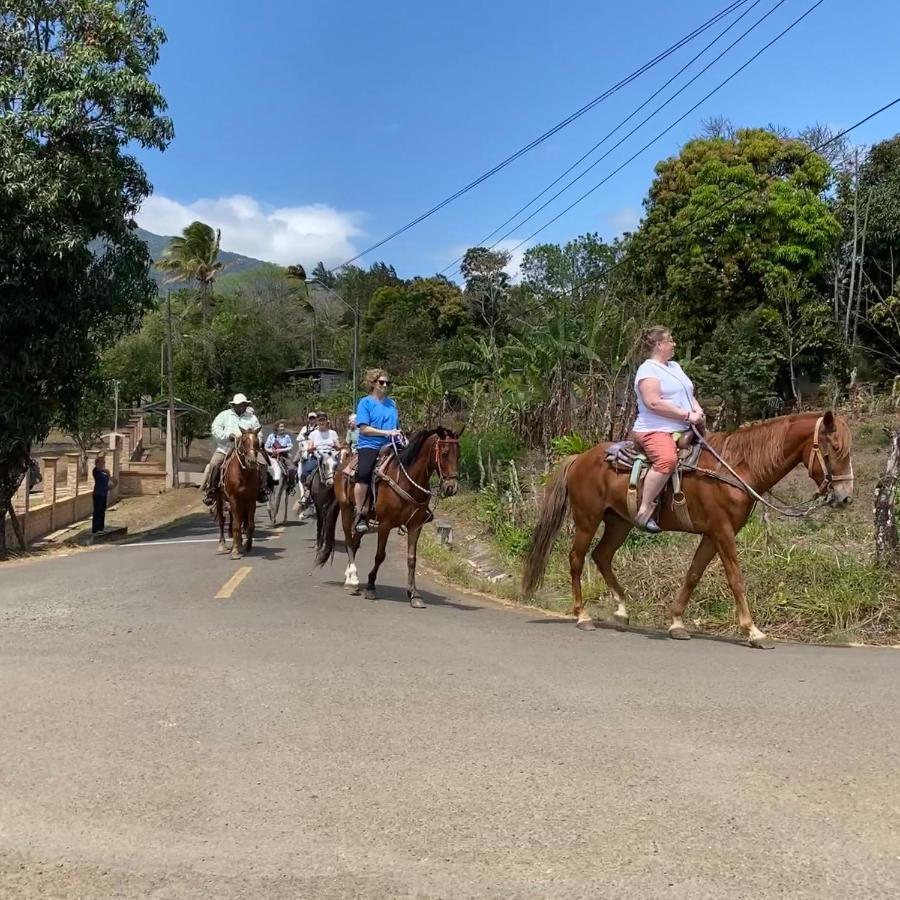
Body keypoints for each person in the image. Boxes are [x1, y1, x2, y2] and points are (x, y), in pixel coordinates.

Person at [631, 326, 705, 533]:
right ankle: (644, 510)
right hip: (655, 429)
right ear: (659, 345)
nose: (674, 344)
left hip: (684, 427)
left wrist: (698, 411)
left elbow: (687, 394)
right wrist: (686, 415)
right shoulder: (648, 370)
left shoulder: (674, 367)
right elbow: (653, 402)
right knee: (667, 460)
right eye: (670, 340)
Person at [354, 368, 401, 533]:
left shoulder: (392, 403)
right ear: (373, 383)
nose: (385, 385)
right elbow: (364, 429)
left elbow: (396, 425)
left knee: (413, 462)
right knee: (364, 472)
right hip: (370, 444)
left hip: (391, 443)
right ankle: (360, 513)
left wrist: (397, 433)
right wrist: (385, 432)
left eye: (387, 383)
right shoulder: (365, 402)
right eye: (381, 382)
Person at [202, 393, 269, 507]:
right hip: (226, 447)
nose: (241, 406)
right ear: (233, 405)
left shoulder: (252, 417)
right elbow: (215, 429)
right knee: (214, 463)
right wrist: (227, 436)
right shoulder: (224, 415)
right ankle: (211, 491)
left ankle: (262, 489)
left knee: (263, 463)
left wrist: (256, 442)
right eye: (239, 405)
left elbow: (259, 432)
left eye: (243, 404)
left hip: (247, 450)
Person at [301, 411, 340, 488]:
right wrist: (313, 448)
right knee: (305, 472)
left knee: (343, 472)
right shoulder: (313, 434)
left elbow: (339, 447)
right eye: (320, 420)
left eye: (323, 420)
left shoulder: (333, 433)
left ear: (326, 421)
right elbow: (309, 449)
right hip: (318, 456)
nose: (322, 422)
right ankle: (307, 491)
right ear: (317, 422)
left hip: (331, 456)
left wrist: (334, 445)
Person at [91, 454, 116, 534]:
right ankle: (95, 529)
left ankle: (101, 528)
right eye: (102, 462)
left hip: (104, 494)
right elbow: (98, 469)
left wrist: (109, 476)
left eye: (104, 462)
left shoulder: (105, 473)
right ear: (97, 463)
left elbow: (111, 483)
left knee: (102, 511)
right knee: (97, 511)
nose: (103, 464)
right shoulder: (96, 471)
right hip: (98, 494)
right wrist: (101, 456)